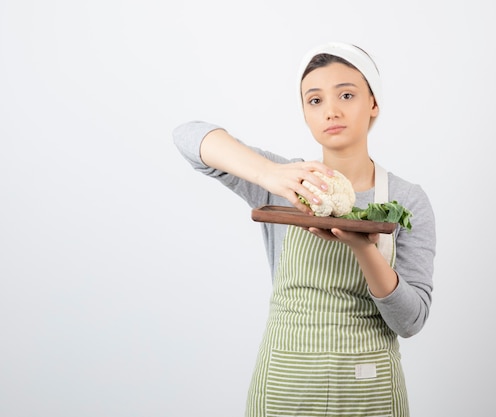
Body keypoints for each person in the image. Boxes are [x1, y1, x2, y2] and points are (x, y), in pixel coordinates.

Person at [173, 41, 436, 417]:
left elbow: (410, 321)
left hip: (368, 390)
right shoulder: (286, 180)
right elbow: (187, 136)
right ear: (304, 113)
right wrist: (269, 173)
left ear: (373, 104)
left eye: (346, 94)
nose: (330, 110)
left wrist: (365, 249)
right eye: (314, 100)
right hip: (285, 386)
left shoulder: (405, 200)